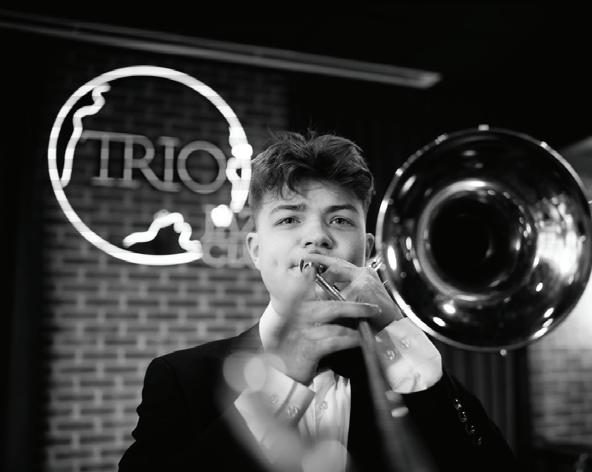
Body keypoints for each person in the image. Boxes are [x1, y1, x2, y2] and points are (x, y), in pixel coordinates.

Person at [119, 131, 519, 472]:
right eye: (289, 219)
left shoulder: (410, 374)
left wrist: (397, 330)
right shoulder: (179, 377)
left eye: (340, 220)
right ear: (256, 250)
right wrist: (280, 381)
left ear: (366, 251)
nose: (317, 237)